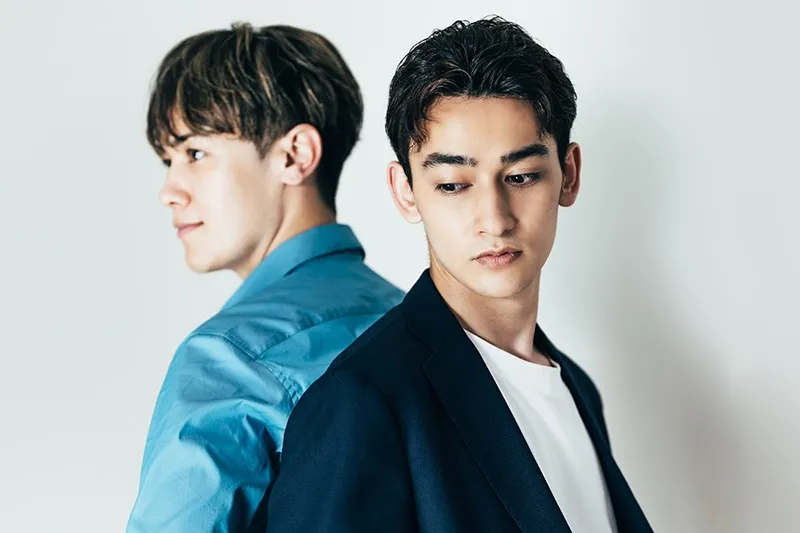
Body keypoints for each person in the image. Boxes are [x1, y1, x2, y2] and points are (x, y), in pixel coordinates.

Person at [264, 17, 653, 532]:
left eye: (521, 176)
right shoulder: (362, 402)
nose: (494, 218)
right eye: (452, 184)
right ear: (405, 191)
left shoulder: (578, 389)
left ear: (569, 174)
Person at [126, 22, 403, 533]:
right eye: (167, 160)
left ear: (295, 155)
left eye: (194, 153)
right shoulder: (425, 322)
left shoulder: (230, 357)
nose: (169, 190)